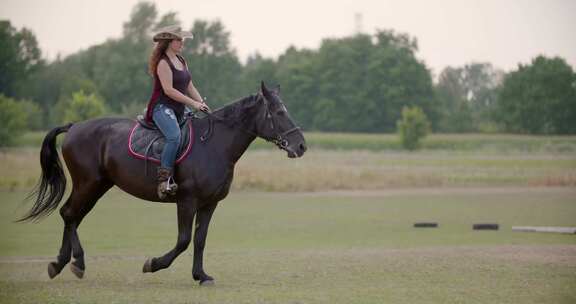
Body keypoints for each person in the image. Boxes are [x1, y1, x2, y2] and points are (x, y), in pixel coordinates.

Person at [146, 25, 210, 199]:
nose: (182, 42)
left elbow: (190, 86)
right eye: (178, 39)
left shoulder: (181, 60)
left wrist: (203, 104)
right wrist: (194, 104)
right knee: (174, 136)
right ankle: (164, 181)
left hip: (180, 108)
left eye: (182, 39)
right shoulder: (163, 63)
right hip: (161, 108)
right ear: (168, 42)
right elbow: (169, 91)